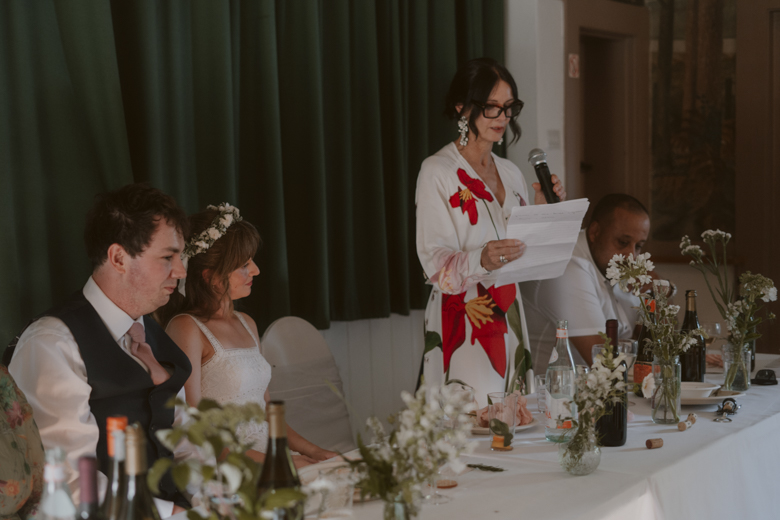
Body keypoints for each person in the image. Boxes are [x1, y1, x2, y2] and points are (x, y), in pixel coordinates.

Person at [5, 184, 192, 516]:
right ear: (119, 258)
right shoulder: (51, 343)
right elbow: (72, 481)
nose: (180, 271)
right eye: (168, 257)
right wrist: (174, 515)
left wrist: (211, 501)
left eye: (180, 257)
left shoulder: (150, 332)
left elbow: (187, 442)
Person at [416, 57, 566, 407]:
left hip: (510, 310)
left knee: (512, 419)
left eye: (509, 107)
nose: (502, 117)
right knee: (471, 419)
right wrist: (481, 259)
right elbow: (433, 263)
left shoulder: (511, 172)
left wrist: (543, 209)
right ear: (462, 108)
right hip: (464, 314)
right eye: (491, 107)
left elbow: (524, 250)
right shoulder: (437, 171)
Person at [158, 204, 337, 468]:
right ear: (211, 277)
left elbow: (267, 412)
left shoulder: (247, 323)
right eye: (244, 264)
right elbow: (195, 428)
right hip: (229, 468)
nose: (255, 270)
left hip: (270, 457)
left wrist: (315, 452)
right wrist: (277, 465)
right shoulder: (187, 328)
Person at [522, 193, 665, 373]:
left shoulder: (613, 266)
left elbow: (652, 344)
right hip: (555, 389)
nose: (631, 256)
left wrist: (659, 294)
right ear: (594, 232)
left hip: (602, 387)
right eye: (623, 242)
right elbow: (605, 364)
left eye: (638, 246)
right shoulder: (567, 266)